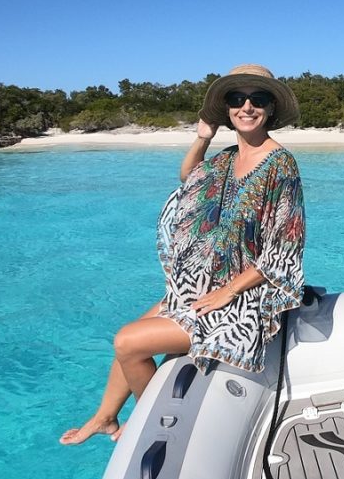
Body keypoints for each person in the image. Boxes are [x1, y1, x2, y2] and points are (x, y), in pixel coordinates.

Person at [60, 64, 306, 445]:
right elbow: (189, 176)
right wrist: (202, 138)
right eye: (236, 99)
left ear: (271, 108)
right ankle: (106, 418)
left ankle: (148, 426)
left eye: (257, 99)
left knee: (127, 342)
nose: (246, 107)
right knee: (137, 326)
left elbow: (284, 249)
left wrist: (228, 292)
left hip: (241, 301)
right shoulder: (224, 159)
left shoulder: (281, 165)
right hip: (205, 286)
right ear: (226, 108)